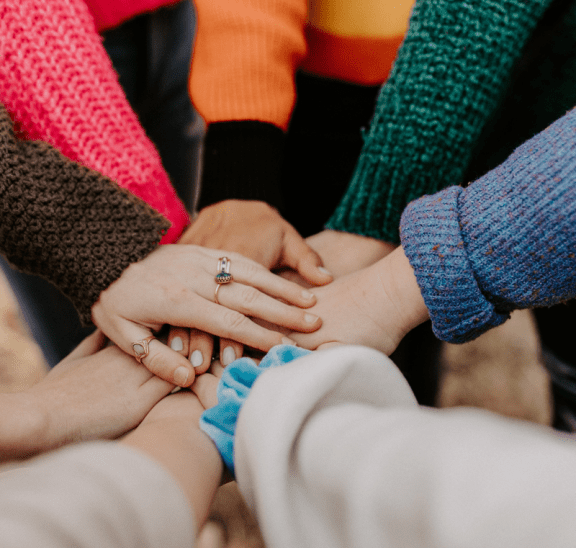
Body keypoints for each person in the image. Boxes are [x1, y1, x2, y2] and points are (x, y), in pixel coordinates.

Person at [0, 0, 323, 373]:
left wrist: (239, 177)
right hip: (30, 73)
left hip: (179, 21)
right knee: (125, 368)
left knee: (185, 306)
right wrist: (105, 243)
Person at [0, 101, 321, 388]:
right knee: (109, 360)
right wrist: (93, 243)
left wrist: (239, 183)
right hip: (26, 128)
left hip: (169, 54)